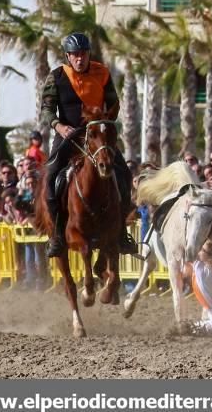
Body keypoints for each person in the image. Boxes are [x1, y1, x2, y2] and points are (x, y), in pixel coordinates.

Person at [40, 32, 137, 257]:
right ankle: (56, 236)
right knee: (51, 178)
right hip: (68, 135)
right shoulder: (56, 77)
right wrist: (59, 126)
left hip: (97, 136)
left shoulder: (102, 72)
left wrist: (103, 119)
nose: (79, 59)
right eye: (75, 55)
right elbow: (46, 110)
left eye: (83, 54)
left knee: (123, 174)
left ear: (88, 54)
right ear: (67, 56)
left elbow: (113, 103)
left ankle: (121, 233)